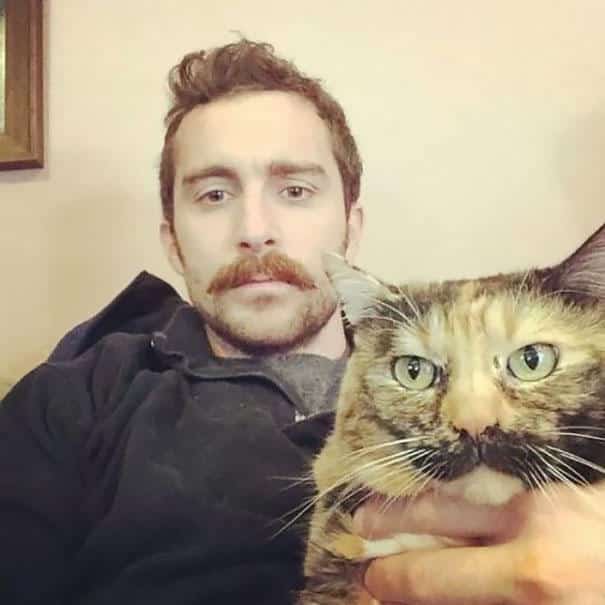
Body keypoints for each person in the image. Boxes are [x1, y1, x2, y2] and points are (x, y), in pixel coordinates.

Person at [1, 37, 604, 605]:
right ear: (172, 242)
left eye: (294, 189)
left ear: (351, 227)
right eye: (214, 195)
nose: (255, 230)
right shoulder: (73, 397)